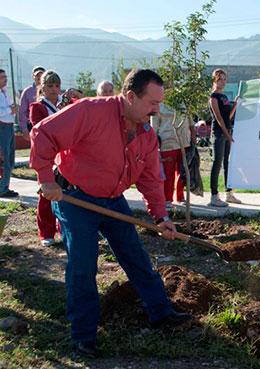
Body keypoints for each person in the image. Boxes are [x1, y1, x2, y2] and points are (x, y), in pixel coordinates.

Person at [30, 69, 191, 358]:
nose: (157, 110)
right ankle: (83, 334)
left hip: (113, 200)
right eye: (152, 104)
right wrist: (45, 178)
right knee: (83, 265)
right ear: (130, 96)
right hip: (75, 199)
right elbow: (43, 132)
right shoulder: (90, 112)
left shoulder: (146, 134)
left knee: (135, 255)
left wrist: (161, 217)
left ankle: (160, 312)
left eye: (159, 103)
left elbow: (151, 179)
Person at [29, 70, 63, 247]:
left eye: (56, 86)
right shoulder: (37, 107)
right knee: (45, 194)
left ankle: (62, 228)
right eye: (50, 86)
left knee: (64, 193)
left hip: (63, 154)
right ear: (42, 87)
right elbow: (39, 130)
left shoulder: (64, 105)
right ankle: (46, 233)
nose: (54, 89)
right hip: (46, 155)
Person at [150, 103, 196, 210]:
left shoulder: (183, 102)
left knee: (182, 170)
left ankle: (180, 196)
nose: (168, 86)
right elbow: (154, 126)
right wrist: (154, 142)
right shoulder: (158, 105)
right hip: (167, 142)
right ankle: (167, 198)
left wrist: (193, 137)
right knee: (168, 172)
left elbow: (190, 122)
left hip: (184, 141)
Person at [208, 69, 241, 207]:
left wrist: (236, 104)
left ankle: (229, 193)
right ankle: (214, 196)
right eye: (220, 79)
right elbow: (219, 118)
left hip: (228, 132)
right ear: (215, 81)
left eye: (225, 79)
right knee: (217, 163)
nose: (223, 81)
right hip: (219, 133)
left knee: (228, 163)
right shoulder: (213, 97)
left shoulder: (225, 97)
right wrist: (226, 134)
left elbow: (228, 116)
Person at [0, 69, 18, 198]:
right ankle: (2, 188)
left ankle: (6, 186)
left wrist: (12, 110)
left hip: (9, 127)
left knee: (10, 159)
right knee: (3, 159)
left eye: (5, 77)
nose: (5, 79)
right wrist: (9, 110)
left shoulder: (5, 92)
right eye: (2, 77)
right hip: (2, 127)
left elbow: (12, 108)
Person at [18, 66, 45, 140]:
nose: (39, 77)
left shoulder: (49, 90)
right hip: (33, 126)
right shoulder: (27, 91)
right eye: (37, 75)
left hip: (47, 125)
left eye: (42, 75)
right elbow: (22, 112)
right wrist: (24, 130)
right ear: (33, 76)